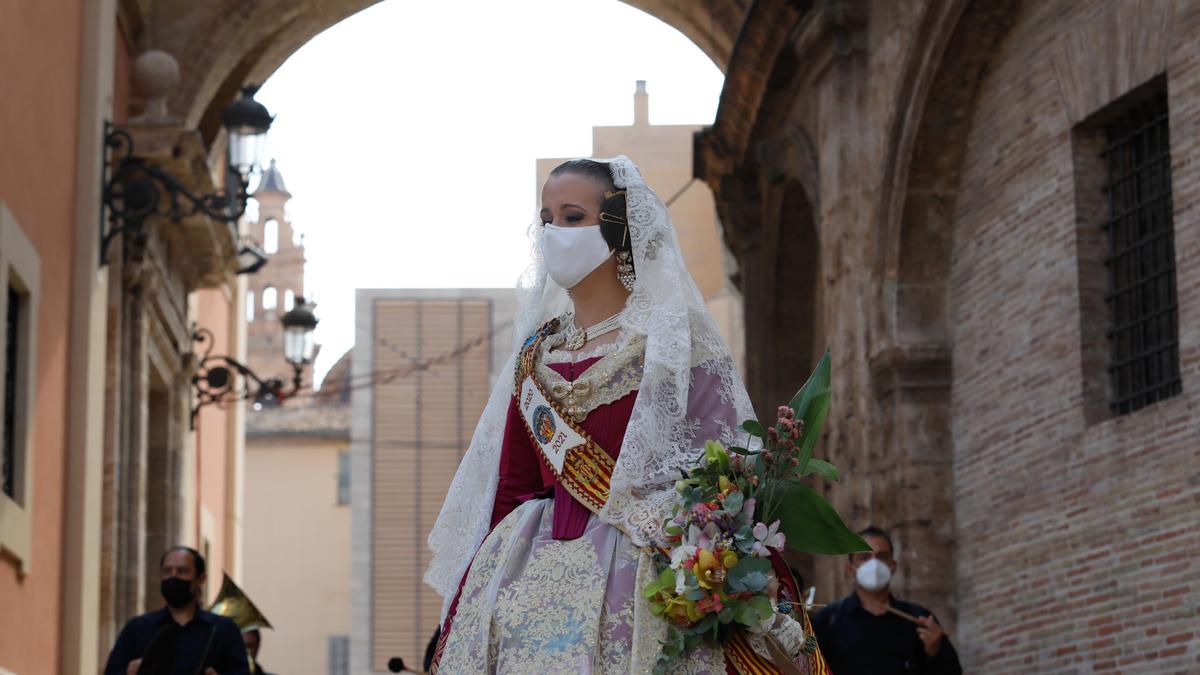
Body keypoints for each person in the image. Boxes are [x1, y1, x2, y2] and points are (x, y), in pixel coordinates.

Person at [424, 156, 825, 673]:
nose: (553, 232)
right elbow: (513, 482)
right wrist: (471, 600)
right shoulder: (535, 357)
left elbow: (725, 469)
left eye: (572, 216)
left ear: (619, 225)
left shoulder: (672, 347)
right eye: (546, 219)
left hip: (641, 576)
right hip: (521, 576)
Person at [812, 526, 962, 675]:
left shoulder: (918, 620)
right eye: (864, 557)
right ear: (850, 569)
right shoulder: (828, 620)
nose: (874, 564)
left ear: (893, 566)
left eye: (882, 557)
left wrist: (933, 653)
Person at [105, 546, 250, 675]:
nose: (173, 577)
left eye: (182, 571)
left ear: (201, 579)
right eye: (167, 571)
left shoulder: (224, 630)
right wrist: (127, 672)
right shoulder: (137, 628)